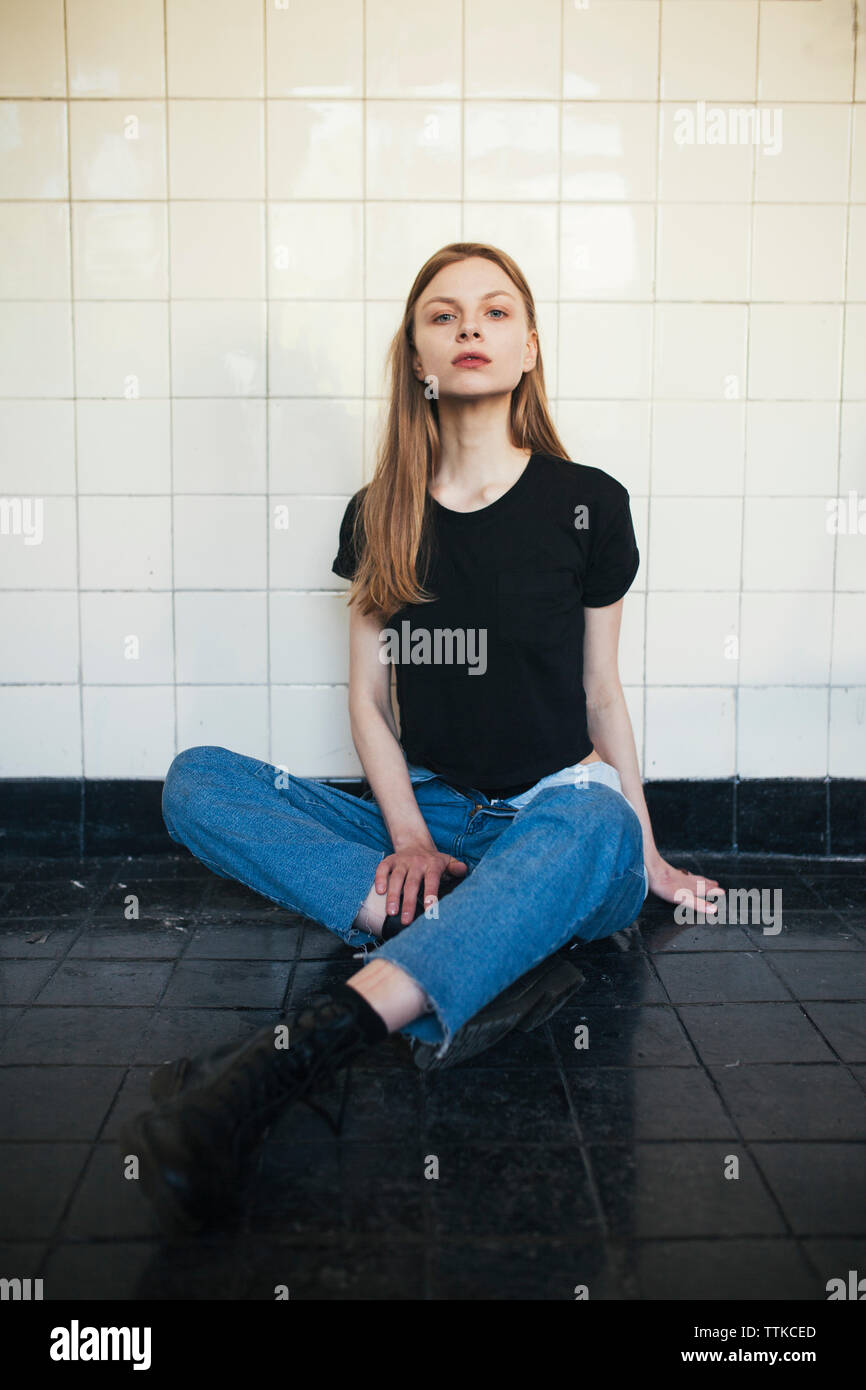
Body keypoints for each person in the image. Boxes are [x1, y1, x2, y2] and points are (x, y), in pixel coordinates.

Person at [120, 243, 720, 1235]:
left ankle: (278, 1070)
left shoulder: (588, 505)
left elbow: (600, 693)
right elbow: (367, 700)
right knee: (196, 781)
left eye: (493, 313)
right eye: (442, 316)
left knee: (595, 819)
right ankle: (480, 942)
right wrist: (404, 833)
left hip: (559, 818)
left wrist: (649, 856)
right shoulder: (379, 516)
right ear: (416, 359)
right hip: (434, 817)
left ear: (528, 349)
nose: (469, 328)